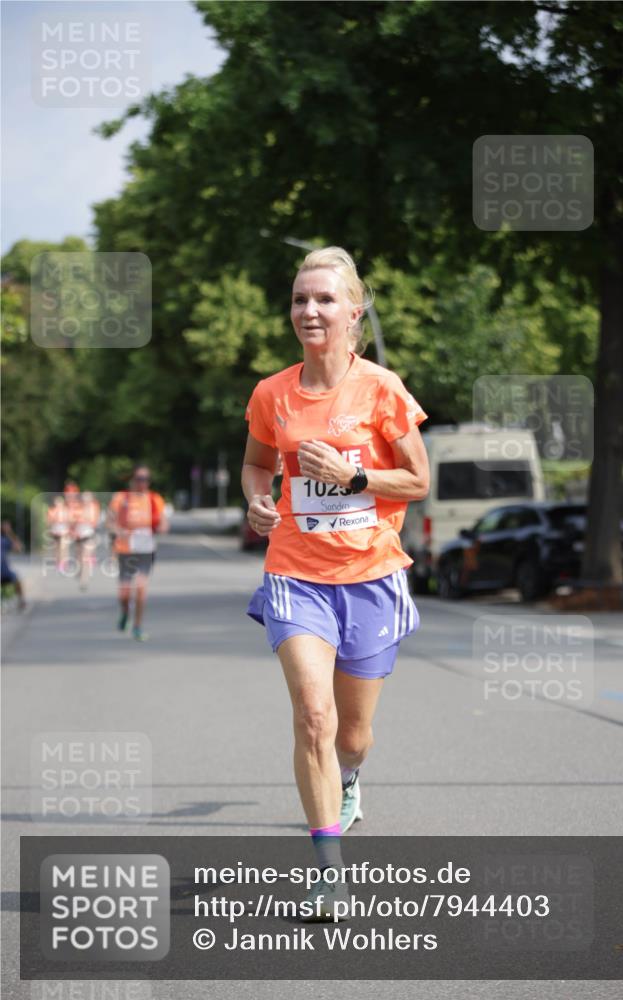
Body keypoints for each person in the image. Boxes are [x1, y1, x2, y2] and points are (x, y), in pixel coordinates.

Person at [242, 247, 429, 920]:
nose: (309, 310)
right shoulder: (272, 394)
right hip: (296, 571)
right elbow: (257, 464)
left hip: (372, 575)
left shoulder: (381, 388)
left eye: (323, 299)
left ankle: (349, 779)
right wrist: (258, 500)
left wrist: (352, 478)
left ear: (354, 312)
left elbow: (417, 481)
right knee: (312, 716)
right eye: (299, 299)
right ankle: (328, 874)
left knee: (351, 735)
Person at [107, 466, 168, 641]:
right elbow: (109, 522)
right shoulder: (120, 498)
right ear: (132, 479)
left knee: (141, 588)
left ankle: (137, 626)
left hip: (145, 549)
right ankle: (125, 612)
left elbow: (163, 522)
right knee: (124, 593)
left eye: (146, 478)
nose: (143, 482)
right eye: (139, 478)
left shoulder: (154, 499)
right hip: (125, 549)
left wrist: (162, 527)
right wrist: (118, 531)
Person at [71, 491, 101, 591]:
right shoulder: (77, 508)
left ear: (91, 499)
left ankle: (84, 580)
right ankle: (80, 571)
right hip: (78, 536)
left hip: (89, 535)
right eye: (84, 498)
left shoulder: (94, 508)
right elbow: (72, 521)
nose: (85, 500)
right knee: (79, 557)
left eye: (87, 498)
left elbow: (95, 522)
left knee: (85, 558)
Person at [1, 520, 27, 610]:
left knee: (17, 580)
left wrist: (10, 533)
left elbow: (19, 548)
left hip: (4, 571)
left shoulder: (4, 540)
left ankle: (21, 601)